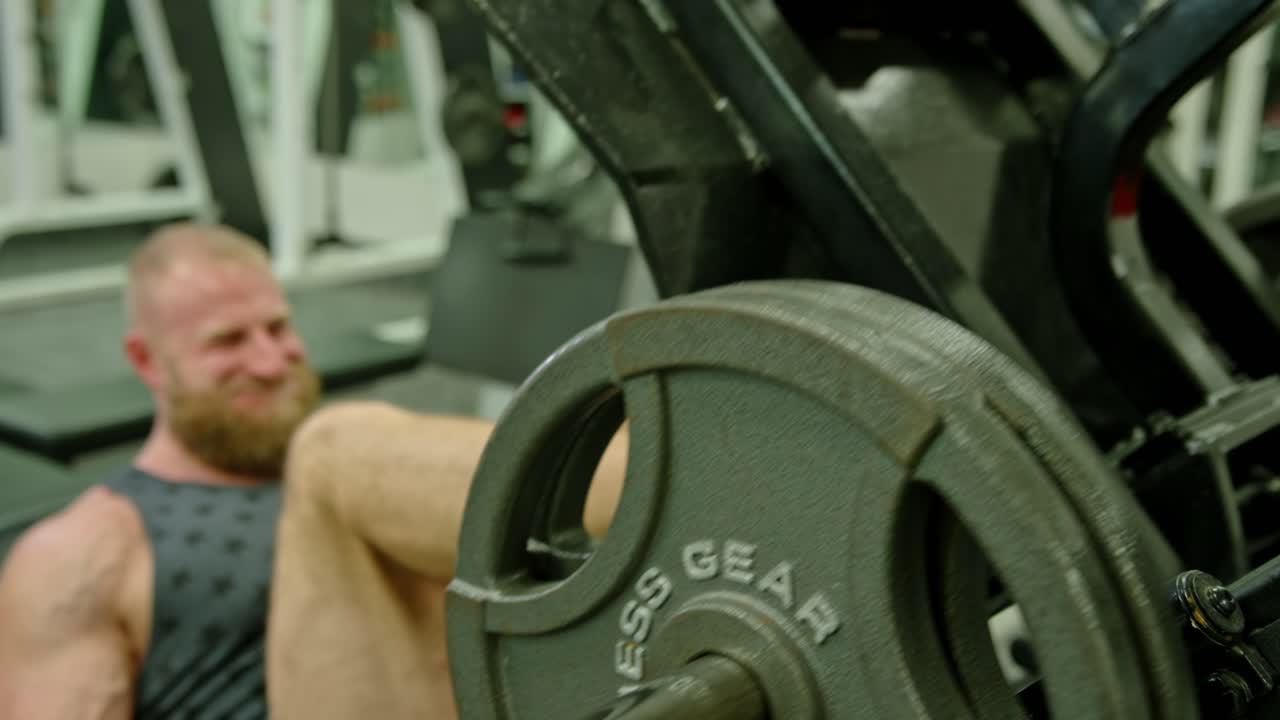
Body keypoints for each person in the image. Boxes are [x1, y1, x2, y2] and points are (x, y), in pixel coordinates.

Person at [0, 221, 627, 718]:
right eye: (227, 342)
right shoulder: (86, 551)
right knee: (331, 445)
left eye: (278, 328)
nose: (271, 362)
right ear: (146, 360)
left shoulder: (379, 475)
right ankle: (671, 472)